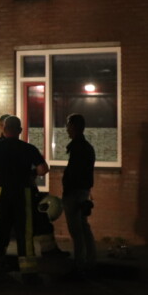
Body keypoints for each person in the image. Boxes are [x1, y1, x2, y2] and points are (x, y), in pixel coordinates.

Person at [0, 115, 49, 285]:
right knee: (25, 232)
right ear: (20, 131)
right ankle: (29, 274)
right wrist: (31, 174)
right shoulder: (28, 148)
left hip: (1, 192)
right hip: (23, 193)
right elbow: (43, 169)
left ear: (3, 129)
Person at [61, 113, 97, 276]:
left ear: (73, 127)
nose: (66, 129)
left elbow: (74, 172)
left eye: (68, 125)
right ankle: (90, 261)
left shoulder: (76, 147)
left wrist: (67, 188)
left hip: (73, 193)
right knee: (84, 227)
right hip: (83, 191)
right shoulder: (87, 147)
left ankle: (79, 264)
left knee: (76, 230)